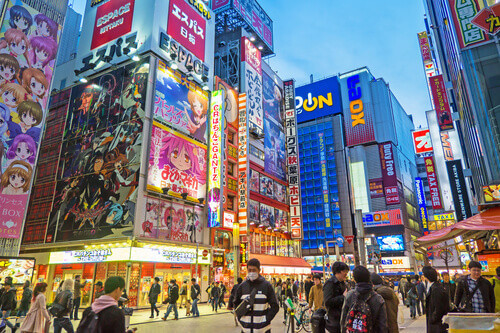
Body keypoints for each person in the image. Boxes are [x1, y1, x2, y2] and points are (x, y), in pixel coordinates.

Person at [234, 258, 279, 333]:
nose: (251, 272)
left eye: (254, 270)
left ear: (259, 270)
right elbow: (236, 304)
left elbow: (275, 306)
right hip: (246, 330)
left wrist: (266, 319)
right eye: (249, 270)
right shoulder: (242, 287)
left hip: (263, 330)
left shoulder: (267, 286)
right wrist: (241, 319)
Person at [340, 266, 387, 333]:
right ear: (369, 278)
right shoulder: (378, 299)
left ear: (355, 280)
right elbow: (382, 325)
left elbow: (343, 321)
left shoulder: (350, 295)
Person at [323, 261, 349, 333]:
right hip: (334, 322)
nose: (346, 273)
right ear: (337, 272)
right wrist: (343, 297)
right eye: (344, 271)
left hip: (343, 320)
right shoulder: (330, 283)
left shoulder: (343, 283)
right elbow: (327, 302)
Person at [422, 266, 449, 333]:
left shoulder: (436, 289)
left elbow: (438, 307)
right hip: (436, 323)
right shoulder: (436, 287)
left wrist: (433, 319)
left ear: (427, 277)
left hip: (437, 324)